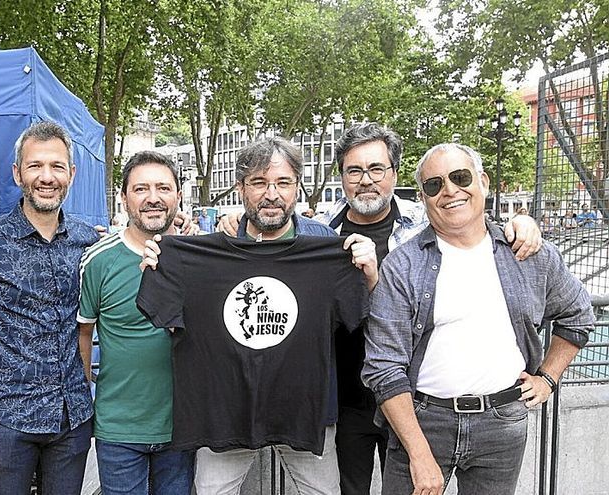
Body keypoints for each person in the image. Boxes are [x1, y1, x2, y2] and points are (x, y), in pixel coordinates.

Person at [218, 123, 543, 495]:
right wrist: (236, 225)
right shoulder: (320, 237)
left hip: (415, 405)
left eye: (376, 169)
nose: (366, 180)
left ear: (394, 174)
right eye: (354, 171)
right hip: (346, 403)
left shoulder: (428, 226)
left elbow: (472, 225)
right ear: (341, 177)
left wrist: (522, 222)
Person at [142, 137, 378, 495]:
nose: (272, 194)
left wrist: (368, 276)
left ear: (297, 188)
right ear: (241, 188)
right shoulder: (202, 256)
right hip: (226, 415)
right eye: (258, 183)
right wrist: (163, 269)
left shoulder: (329, 249)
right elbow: (171, 320)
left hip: (305, 413)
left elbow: (360, 318)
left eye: (283, 183)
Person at [362, 143, 594, 495]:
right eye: (434, 184)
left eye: (460, 177)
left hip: (502, 424)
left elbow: (578, 316)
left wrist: (547, 377)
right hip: (424, 423)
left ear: (483, 182)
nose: (449, 191)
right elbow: (384, 366)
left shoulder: (529, 254)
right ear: (424, 198)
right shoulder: (402, 266)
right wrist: (419, 453)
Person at [0, 121, 98, 494]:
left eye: (57, 166)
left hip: (73, 419)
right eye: (35, 166)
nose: (46, 177)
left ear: (72, 174)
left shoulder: (87, 242)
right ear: (18, 173)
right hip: (6, 421)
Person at [78, 151, 194, 494]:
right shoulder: (98, 261)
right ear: (124, 197)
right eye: (141, 189)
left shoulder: (199, 258)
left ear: (178, 195)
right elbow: (84, 332)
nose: (153, 198)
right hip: (119, 428)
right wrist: (87, 398)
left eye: (163, 188)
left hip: (182, 425)